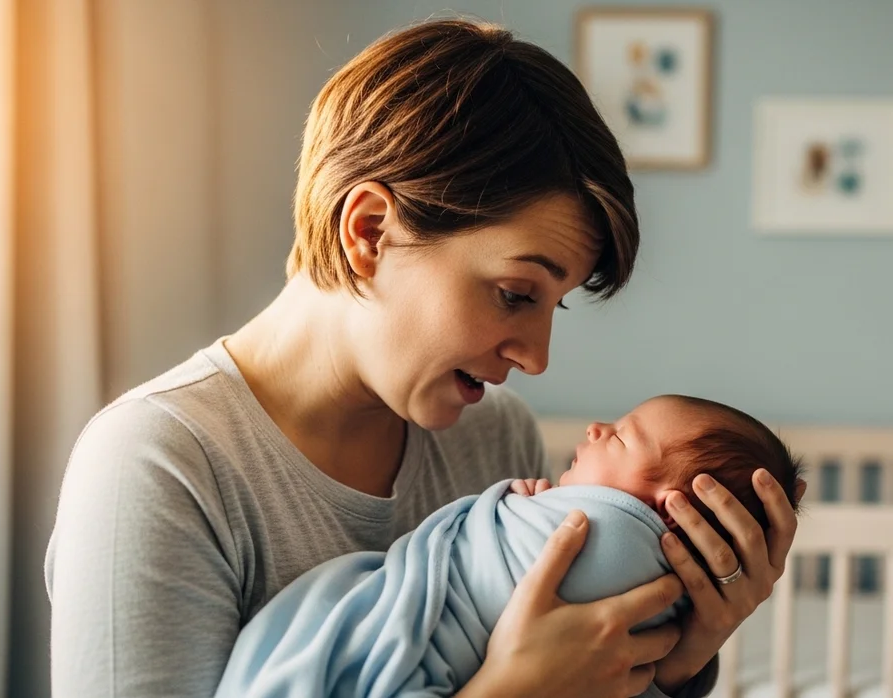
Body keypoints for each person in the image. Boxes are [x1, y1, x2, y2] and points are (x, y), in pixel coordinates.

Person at [45, 18, 804, 698]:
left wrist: (676, 663)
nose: (537, 358)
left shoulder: (492, 436)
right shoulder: (158, 466)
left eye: (553, 304)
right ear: (370, 230)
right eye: (515, 292)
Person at [212, 395, 807, 697]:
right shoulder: (177, 467)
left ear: (666, 509)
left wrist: (683, 662)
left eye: (621, 437)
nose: (595, 429)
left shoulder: (613, 535)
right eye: (515, 292)